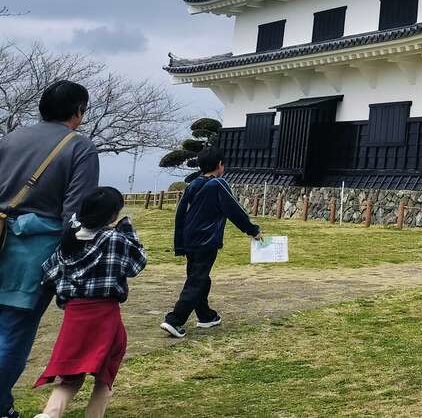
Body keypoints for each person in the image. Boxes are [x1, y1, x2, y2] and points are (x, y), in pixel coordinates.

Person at [0, 81, 99, 418]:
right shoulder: (79, 147)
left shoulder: (10, 138)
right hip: (31, 255)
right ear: (78, 111)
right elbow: (75, 216)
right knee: (13, 332)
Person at [33, 187, 144, 418]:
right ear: (113, 215)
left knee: (70, 376)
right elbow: (137, 264)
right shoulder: (114, 239)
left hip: (74, 315)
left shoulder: (68, 240)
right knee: (105, 374)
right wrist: (128, 231)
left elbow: (49, 273)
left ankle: (49, 414)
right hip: (105, 314)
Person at [160, 149, 261, 339]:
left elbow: (180, 214)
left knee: (200, 277)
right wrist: (252, 229)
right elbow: (234, 210)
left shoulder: (193, 184)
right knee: (197, 279)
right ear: (220, 164)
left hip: (190, 240)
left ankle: (206, 315)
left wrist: (179, 243)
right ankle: (175, 319)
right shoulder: (218, 184)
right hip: (206, 241)